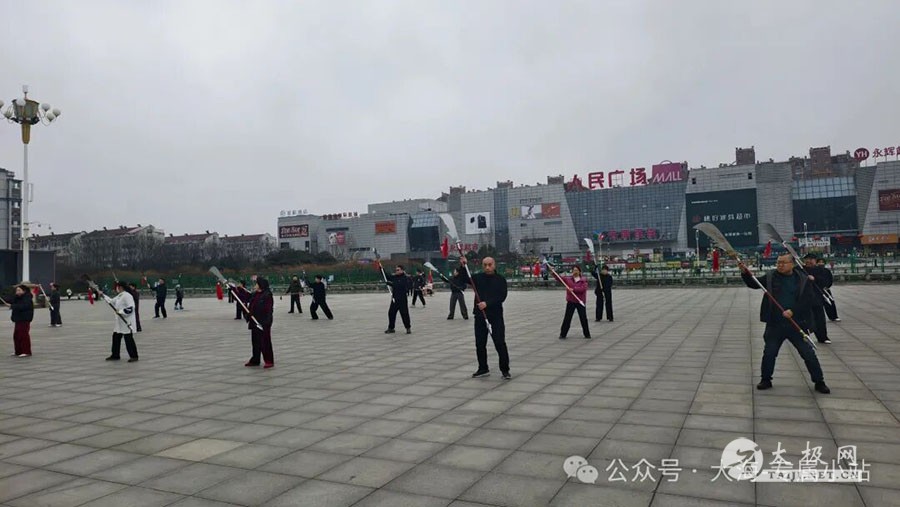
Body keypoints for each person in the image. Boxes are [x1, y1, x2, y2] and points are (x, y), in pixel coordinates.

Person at [740, 253, 829, 394]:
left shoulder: (803, 279)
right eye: (778, 262)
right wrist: (745, 273)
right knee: (769, 353)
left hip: (797, 323)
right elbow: (754, 284)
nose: (780, 265)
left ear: (792, 264)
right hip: (775, 324)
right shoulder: (771, 277)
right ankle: (766, 379)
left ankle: (819, 381)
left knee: (808, 354)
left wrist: (793, 311)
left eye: (783, 263)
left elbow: (807, 300)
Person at [461, 257, 510, 379]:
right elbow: (464, 278)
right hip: (480, 316)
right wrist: (463, 266)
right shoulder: (478, 278)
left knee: (499, 342)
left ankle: (505, 370)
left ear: (494, 265)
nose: (487, 267)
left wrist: (487, 303)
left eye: (490, 264)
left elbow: (502, 296)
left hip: (495, 316)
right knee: (480, 343)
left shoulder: (500, 279)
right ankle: (483, 368)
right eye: (485, 265)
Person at [105, 282, 139, 362]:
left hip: (126, 321)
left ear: (120, 287)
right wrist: (103, 295)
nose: (116, 289)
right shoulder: (120, 295)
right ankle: (115, 355)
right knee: (115, 337)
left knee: (128, 339)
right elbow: (111, 301)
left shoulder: (127, 296)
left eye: (117, 287)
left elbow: (131, 308)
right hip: (119, 323)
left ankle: (134, 356)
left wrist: (121, 311)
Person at [245, 277, 275, 368]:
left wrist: (266, 322)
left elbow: (269, 310)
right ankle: (255, 360)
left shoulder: (267, 295)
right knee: (255, 342)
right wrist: (233, 289)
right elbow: (244, 297)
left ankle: (269, 360)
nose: (255, 285)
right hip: (254, 321)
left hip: (263, 322)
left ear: (261, 285)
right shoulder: (255, 294)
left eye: (257, 283)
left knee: (265, 342)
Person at [803, 253, 832, 344]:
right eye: (807, 259)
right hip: (803, 299)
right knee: (803, 320)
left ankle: (822, 337)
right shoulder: (800, 269)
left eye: (811, 259)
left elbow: (826, 282)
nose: (809, 261)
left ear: (815, 261)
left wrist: (815, 279)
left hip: (816, 298)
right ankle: (802, 338)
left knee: (819, 319)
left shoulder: (821, 270)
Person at [559, 266, 590, 339]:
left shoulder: (583, 280)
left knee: (583, 318)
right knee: (567, 318)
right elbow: (559, 278)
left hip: (580, 301)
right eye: (574, 270)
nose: (575, 272)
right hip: (571, 301)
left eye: (576, 270)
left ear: (579, 271)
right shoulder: (568, 279)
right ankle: (563, 334)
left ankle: (587, 334)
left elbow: (583, 289)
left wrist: (574, 289)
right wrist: (552, 272)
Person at [5, 285, 33, 357]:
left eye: (19, 290)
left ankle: (26, 351)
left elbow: (24, 306)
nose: (17, 292)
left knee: (23, 335)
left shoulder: (27, 298)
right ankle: (18, 351)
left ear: (24, 291)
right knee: (16, 336)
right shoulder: (17, 297)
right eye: (17, 290)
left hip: (24, 319)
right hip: (18, 319)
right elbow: (9, 300)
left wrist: (12, 306)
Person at [384, 265, 412, 334]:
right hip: (395, 298)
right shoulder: (394, 277)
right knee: (391, 313)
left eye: (398, 270)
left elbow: (402, 286)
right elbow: (387, 276)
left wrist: (392, 284)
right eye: (396, 270)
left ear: (402, 270)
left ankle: (408, 327)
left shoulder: (406, 278)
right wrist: (381, 269)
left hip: (402, 299)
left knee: (404, 314)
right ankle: (391, 328)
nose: (396, 271)